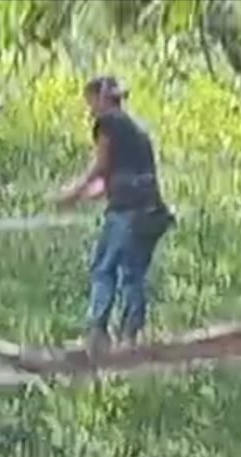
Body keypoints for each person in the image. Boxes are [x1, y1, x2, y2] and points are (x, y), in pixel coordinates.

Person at [48, 75, 174, 362]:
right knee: (133, 274)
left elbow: (101, 166)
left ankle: (97, 334)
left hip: (127, 212)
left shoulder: (109, 124)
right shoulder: (138, 130)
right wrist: (82, 196)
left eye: (90, 101)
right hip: (151, 211)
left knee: (104, 268)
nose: (89, 109)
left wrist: (72, 192)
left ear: (101, 98)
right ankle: (130, 336)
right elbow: (113, 178)